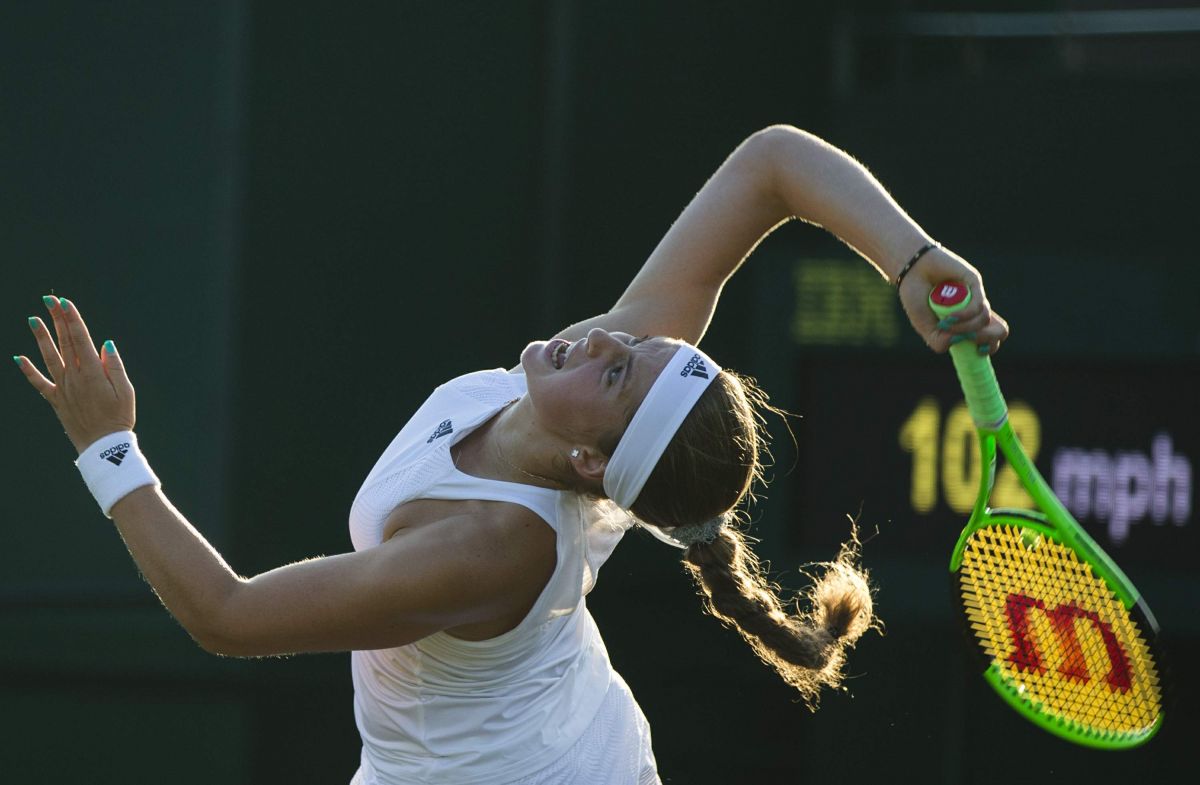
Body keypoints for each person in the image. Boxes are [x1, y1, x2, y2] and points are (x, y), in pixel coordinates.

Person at [14, 125, 1008, 784]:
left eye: (622, 372)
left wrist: (110, 447)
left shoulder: (487, 546)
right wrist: (913, 259)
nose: (609, 339)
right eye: (642, 344)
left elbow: (227, 614)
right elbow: (770, 165)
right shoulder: (574, 393)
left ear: (590, 462)